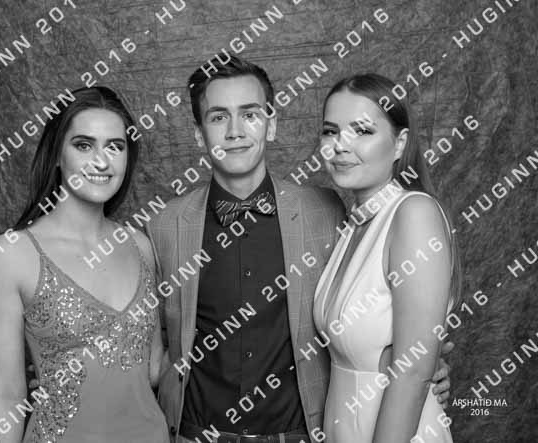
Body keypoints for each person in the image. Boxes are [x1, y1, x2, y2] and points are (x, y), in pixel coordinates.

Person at [147, 55, 454, 443]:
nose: (235, 131)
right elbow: (150, 343)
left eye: (250, 114)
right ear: (198, 134)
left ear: (272, 124)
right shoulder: (163, 226)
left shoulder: (326, 212)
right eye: (219, 117)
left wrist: (420, 362)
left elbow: (391, 314)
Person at [0, 86, 169, 443]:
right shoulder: (11, 255)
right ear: (56, 154)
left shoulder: (140, 246)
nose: (102, 161)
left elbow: (154, 369)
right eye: (83, 145)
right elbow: (5, 394)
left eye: (115, 146)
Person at [313, 73, 458, 443]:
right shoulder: (353, 226)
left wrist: (425, 362)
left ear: (399, 144)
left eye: (362, 131)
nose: (341, 146)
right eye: (331, 132)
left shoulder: (413, 213)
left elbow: (412, 372)